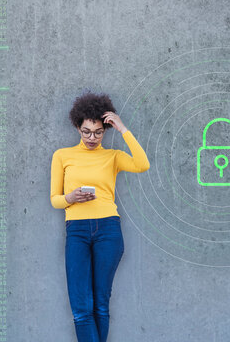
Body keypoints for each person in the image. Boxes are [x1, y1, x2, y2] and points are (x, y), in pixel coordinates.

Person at [50, 91, 150, 342]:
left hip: (108, 230)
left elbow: (142, 164)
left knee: (100, 306)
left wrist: (123, 128)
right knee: (81, 310)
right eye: (86, 131)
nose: (92, 138)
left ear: (105, 130)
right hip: (77, 231)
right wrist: (70, 198)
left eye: (98, 132)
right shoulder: (62, 156)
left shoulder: (112, 157)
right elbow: (55, 199)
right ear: (77, 127)